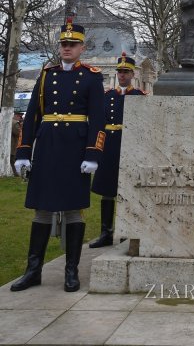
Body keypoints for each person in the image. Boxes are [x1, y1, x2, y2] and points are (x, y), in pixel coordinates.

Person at [11, 20, 105, 292]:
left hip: (75, 150)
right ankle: (33, 271)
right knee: (41, 208)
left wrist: (93, 153)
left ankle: (71, 271)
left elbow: (97, 119)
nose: (67, 48)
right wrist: (24, 151)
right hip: (49, 146)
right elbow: (32, 116)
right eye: (63, 44)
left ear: (82, 48)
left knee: (74, 209)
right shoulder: (46, 75)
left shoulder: (91, 77)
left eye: (72, 44)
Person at [89, 53, 146, 248]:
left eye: (125, 72)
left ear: (133, 73)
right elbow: (99, 122)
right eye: (119, 72)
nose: (121, 75)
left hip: (128, 145)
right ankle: (106, 232)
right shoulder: (108, 96)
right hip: (108, 146)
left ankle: (126, 231)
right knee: (107, 191)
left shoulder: (139, 96)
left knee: (127, 189)